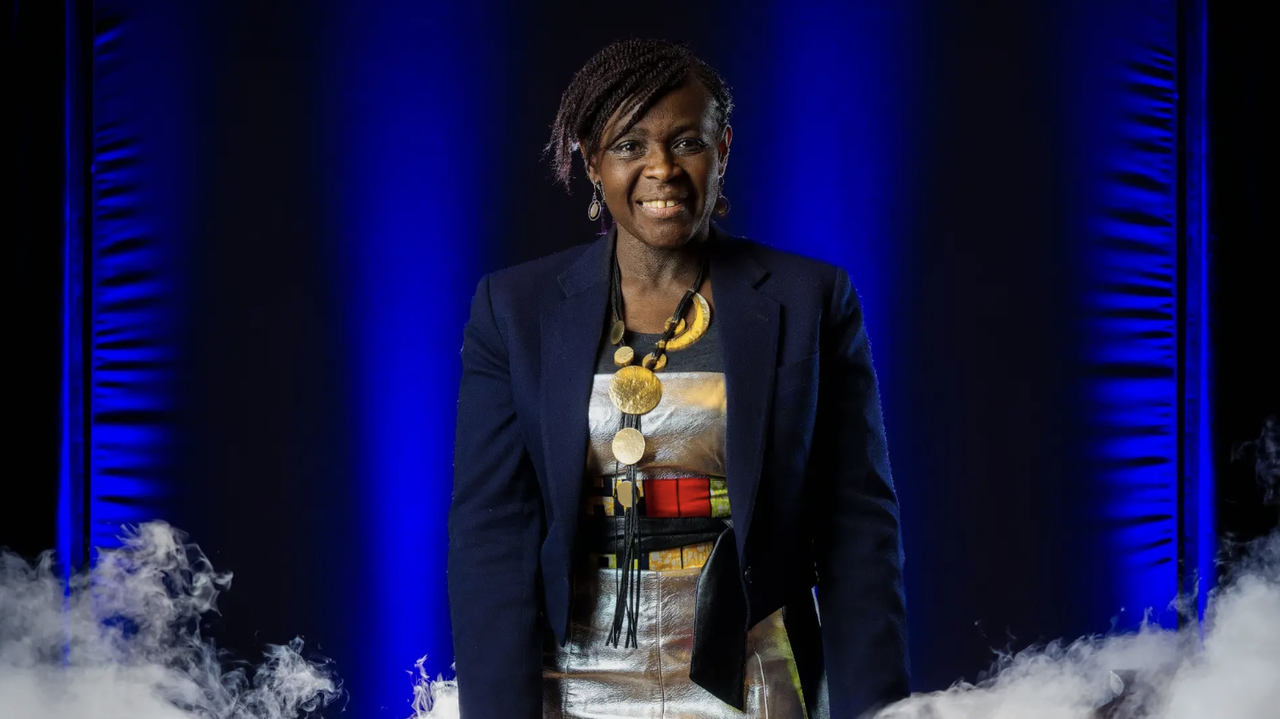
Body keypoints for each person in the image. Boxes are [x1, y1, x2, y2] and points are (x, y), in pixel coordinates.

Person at [448, 38, 908, 719]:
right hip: (570, 678)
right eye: (629, 145)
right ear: (591, 160)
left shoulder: (811, 298)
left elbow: (858, 529)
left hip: (752, 672)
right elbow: (491, 533)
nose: (662, 168)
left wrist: (879, 713)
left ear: (722, 150)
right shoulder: (513, 308)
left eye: (687, 142)